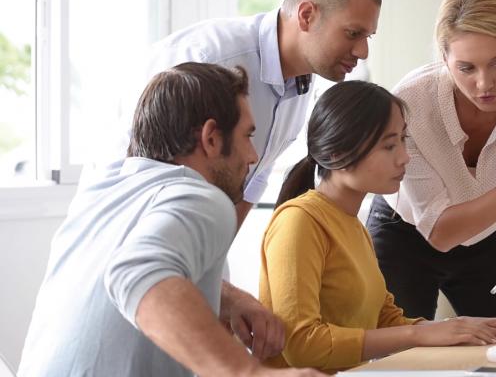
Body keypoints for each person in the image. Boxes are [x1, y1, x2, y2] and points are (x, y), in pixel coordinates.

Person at [18, 63, 322, 377]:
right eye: (247, 136)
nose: (253, 156)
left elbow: (128, 264)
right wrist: (247, 372)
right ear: (211, 139)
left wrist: (226, 297)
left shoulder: (102, 192)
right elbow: (136, 270)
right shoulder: (203, 197)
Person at [258, 81, 496, 374]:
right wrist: (420, 334)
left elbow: (385, 320)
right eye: (388, 145)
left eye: (402, 140)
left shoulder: (353, 226)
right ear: (335, 154)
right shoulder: (299, 222)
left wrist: (459, 328)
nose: (404, 156)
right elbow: (300, 345)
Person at [366, 0, 496, 320]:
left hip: (490, 234)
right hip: (405, 232)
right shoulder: (409, 103)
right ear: (444, 59)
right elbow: (440, 233)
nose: (485, 84)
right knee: (401, 358)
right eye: (467, 68)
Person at [144, 0, 381, 226]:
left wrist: (217, 249)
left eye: (368, 37)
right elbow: (148, 173)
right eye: (353, 33)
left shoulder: (301, 81)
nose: (363, 52)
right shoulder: (209, 58)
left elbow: (256, 176)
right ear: (307, 15)